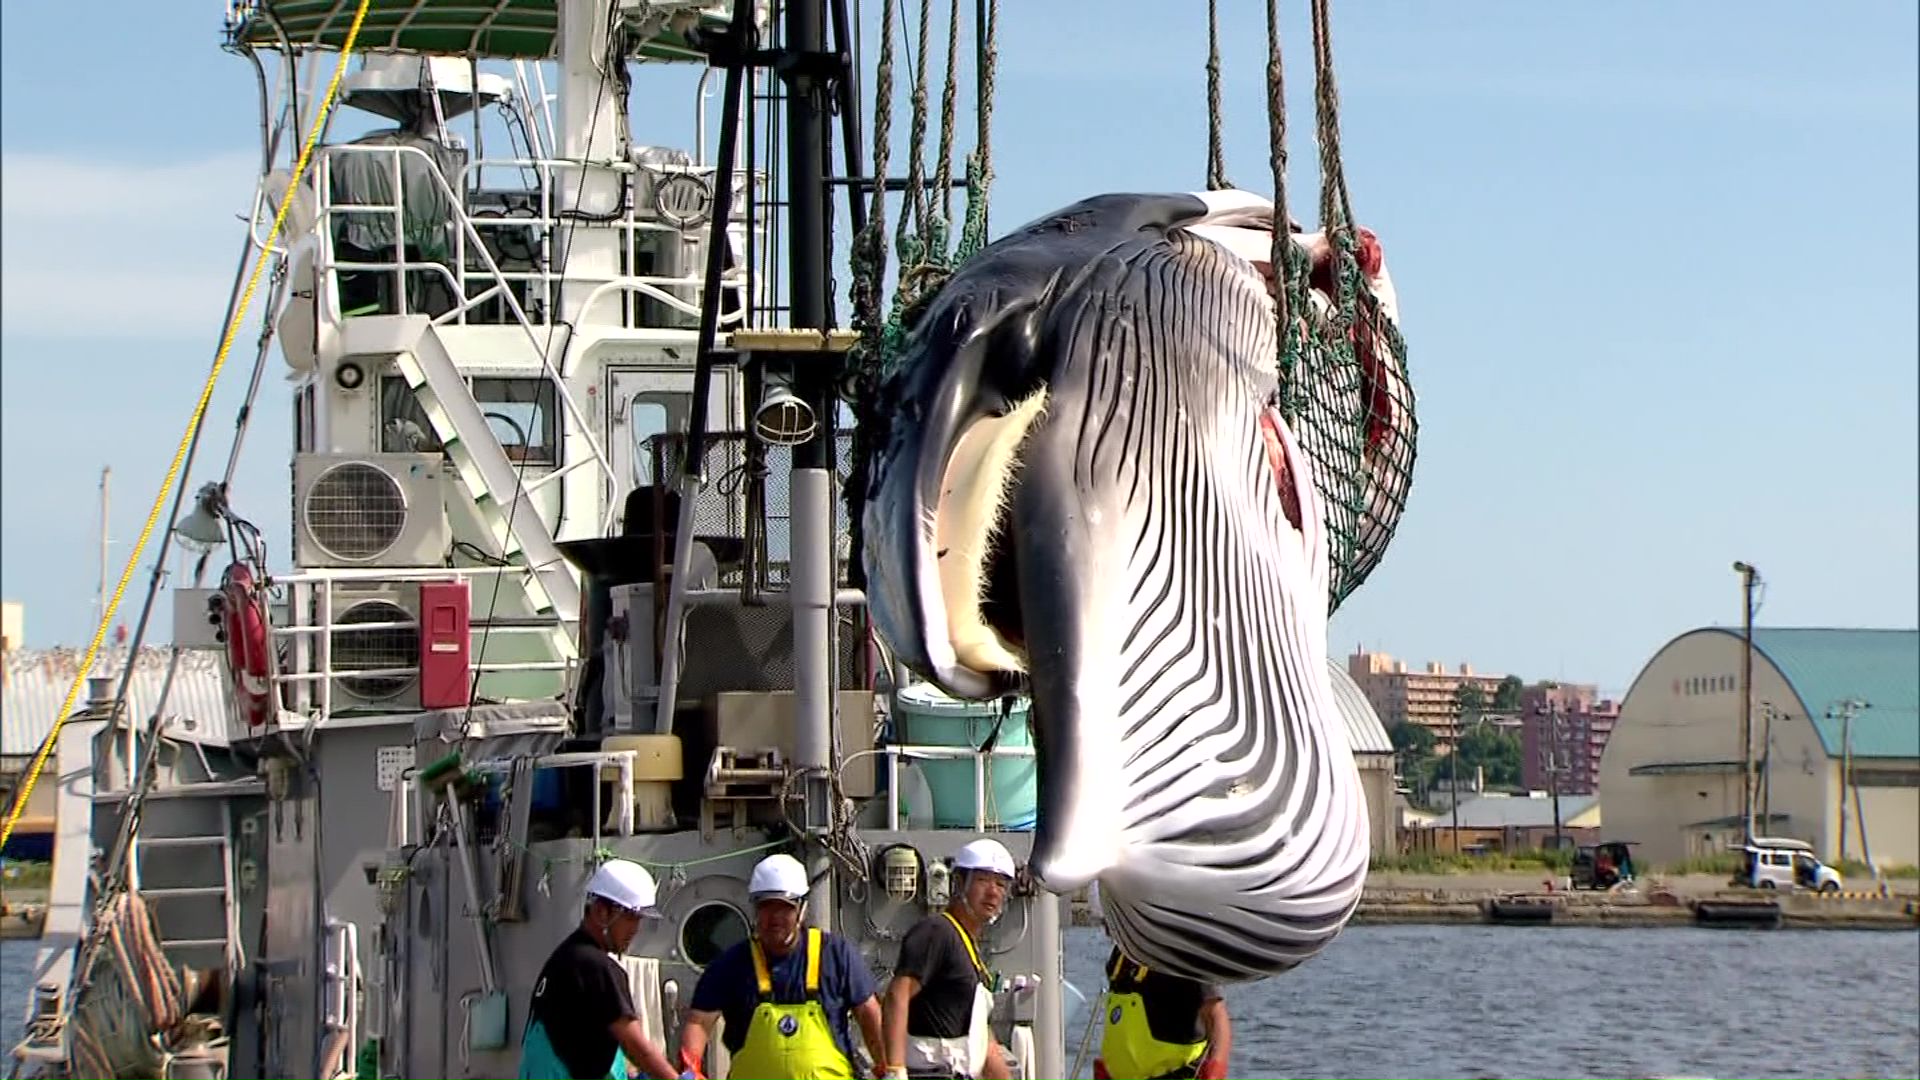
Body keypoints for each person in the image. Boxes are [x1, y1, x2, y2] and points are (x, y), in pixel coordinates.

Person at [677, 853, 886, 1080]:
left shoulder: (836, 954)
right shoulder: (731, 964)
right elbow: (698, 1021)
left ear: (802, 909)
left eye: (785, 907)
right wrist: (691, 1069)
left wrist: (888, 1067)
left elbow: (869, 1013)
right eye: (766, 907)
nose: (774, 917)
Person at [520, 859, 685, 1080]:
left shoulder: (563, 959)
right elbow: (636, 1047)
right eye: (630, 917)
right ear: (601, 912)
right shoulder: (595, 966)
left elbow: (582, 1043)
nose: (635, 929)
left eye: (639, 919)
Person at [881, 839, 1017, 1080]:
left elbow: (983, 1040)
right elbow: (897, 995)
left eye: (1000, 884)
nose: (993, 892)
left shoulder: (967, 945)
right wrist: (895, 1070)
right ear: (959, 883)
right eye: (982, 880)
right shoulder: (936, 932)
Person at [1087, 885, 1230, 1080]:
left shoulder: (1180, 953)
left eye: (1111, 924)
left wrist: (1215, 1068)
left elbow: (1215, 1014)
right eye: (1105, 924)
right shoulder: (1120, 959)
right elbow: (1122, 1024)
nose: (1107, 932)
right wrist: (1109, 1065)